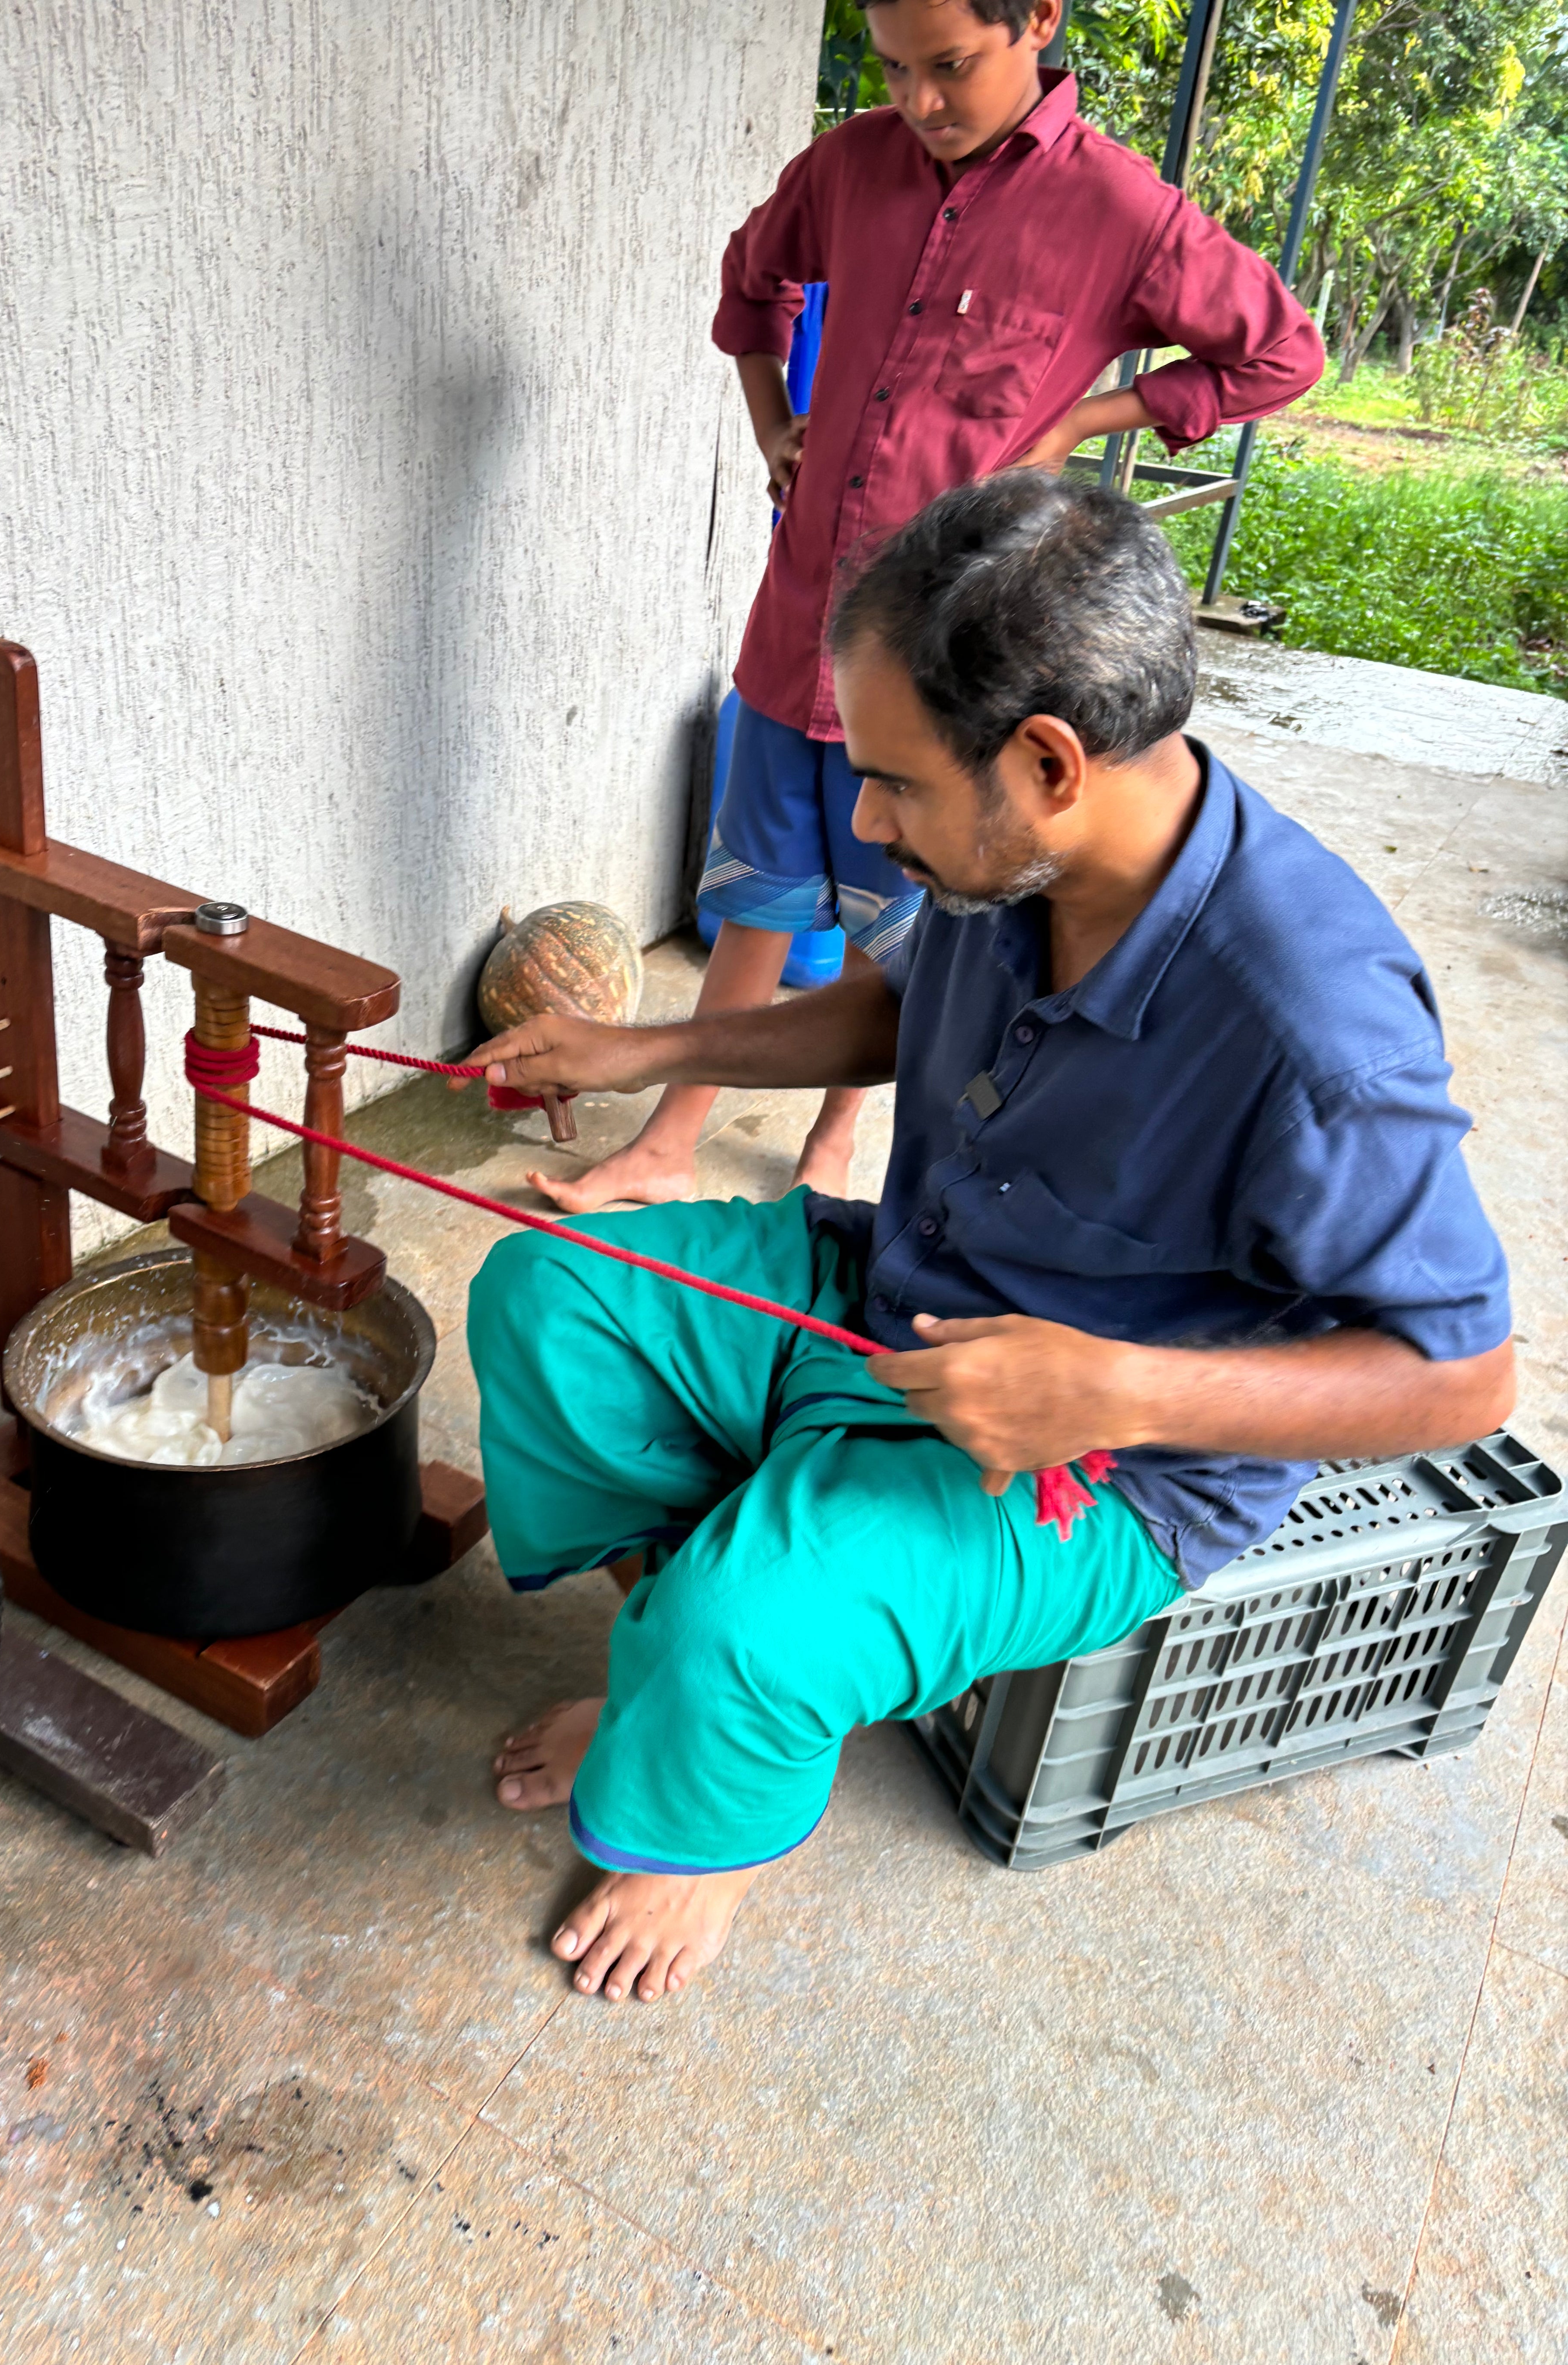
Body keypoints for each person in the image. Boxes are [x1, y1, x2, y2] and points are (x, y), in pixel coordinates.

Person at [465, 474, 1513, 2005]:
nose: (867, 826)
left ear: (1045, 760)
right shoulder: (1014, 852)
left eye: (888, 782)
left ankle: (716, 1808)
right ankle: (684, 1676)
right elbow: (900, 1009)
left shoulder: (1314, 1029)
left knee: (747, 1623)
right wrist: (630, 1055)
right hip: (891, 1293)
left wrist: (1120, 1392)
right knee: (547, 1296)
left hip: (1091, 1465)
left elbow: (1461, 1379)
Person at [530, 0, 1325, 1219]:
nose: (918, 101)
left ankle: (837, 1143)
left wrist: (1085, 420)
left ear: (1037, 21)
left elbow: (1281, 354)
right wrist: (772, 431)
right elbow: (753, 285)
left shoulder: (1121, 212)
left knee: (904, 931)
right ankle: (667, 1139)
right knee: (752, 894)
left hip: (948, 663)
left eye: (947, 67)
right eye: (892, 67)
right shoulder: (850, 165)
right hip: (797, 617)